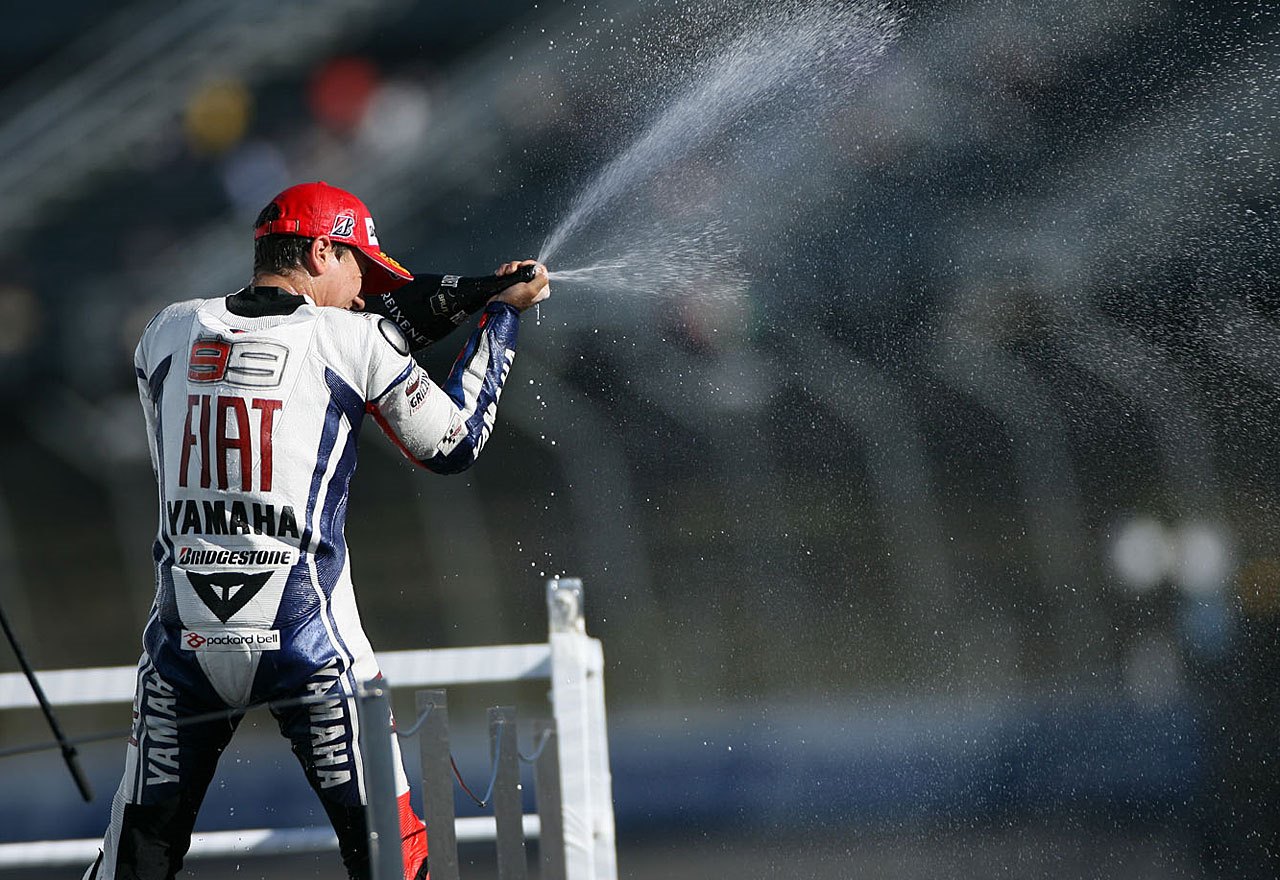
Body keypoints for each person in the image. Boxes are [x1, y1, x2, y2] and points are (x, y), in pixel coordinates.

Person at [84, 180, 549, 880]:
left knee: (137, 858)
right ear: (323, 250)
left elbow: (317, 333)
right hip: (310, 648)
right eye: (360, 270)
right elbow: (454, 444)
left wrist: (462, 294)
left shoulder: (167, 331)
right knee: (393, 856)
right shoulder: (353, 340)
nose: (367, 293)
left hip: (183, 643)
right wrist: (500, 316)